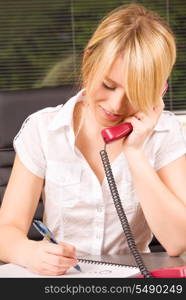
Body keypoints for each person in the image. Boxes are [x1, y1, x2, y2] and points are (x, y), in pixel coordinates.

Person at [0, 4, 186, 276]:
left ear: (159, 91)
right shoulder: (43, 129)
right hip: (61, 279)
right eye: (108, 85)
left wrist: (135, 154)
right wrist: (29, 252)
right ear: (89, 62)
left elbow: (178, 241)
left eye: (135, 93)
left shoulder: (165, 132)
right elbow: (6, 232)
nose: (115, 105)